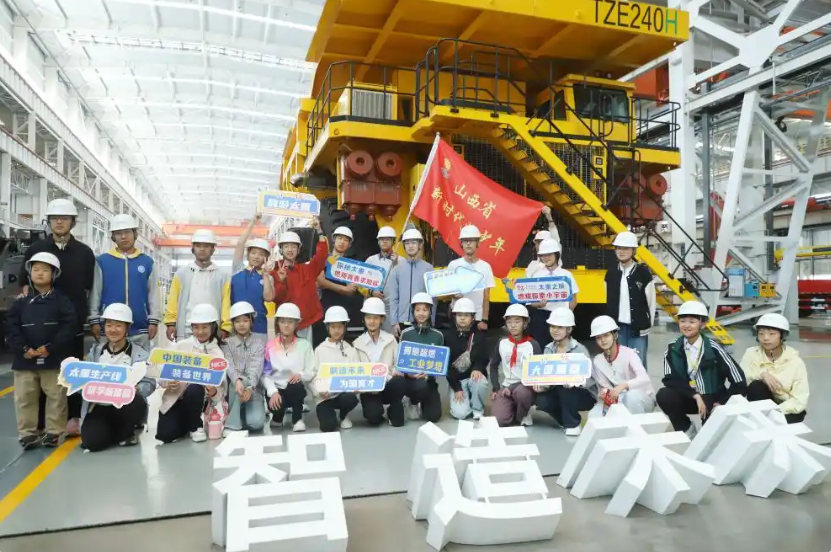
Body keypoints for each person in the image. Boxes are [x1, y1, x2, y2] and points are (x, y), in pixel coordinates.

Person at [20, 198, 95, 432]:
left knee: (71, 370)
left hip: (72, 325)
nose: (59, 222)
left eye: (64, 218)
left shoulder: (84, 253)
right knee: (43, 373)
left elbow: (89, 287)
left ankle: (73, 417)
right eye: (54, 218)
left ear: (73, 222)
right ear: (49, 221)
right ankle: (43, 422)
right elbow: (25, 286)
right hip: (41, 325)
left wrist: (87, 318)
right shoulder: (36, 250)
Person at [7, 252, 75, 449]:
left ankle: (54, 432)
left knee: (56, 397)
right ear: (29, 273)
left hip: (53, 359)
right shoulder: (20, 302)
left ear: (54, 274)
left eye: (45, 270)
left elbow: (69, 326)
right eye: (35, 269)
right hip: (24, 361)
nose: (39, 273)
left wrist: (50, 347)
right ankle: (27, 434)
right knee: (24, 398)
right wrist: (23, 348)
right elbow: (11, 327)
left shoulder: (62, 301)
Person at [656, 300, 746, 439]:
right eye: (682, 321)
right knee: (664, 395)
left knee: (707, 438)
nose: (686, 325)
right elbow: (670, 380)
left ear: (702, 324)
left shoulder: (714, 348)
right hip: (689, 397)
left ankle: (708, 432)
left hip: (712, 398)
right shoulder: (672, 348)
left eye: (692, 322)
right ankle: (686, 429)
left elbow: (739, 379)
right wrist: (695, 395)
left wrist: (723, 402)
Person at [80, 303, 156, 452]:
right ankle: (115, 433)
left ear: (127, 328)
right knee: (92, 443)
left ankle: (127, 430)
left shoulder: (140, 354)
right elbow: (82, 380)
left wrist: (138, 389)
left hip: (125, 407)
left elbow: (150, 382)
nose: (113, 330)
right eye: (109, 325)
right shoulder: (96, 353)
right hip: (99, 406)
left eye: (118, 325)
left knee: (136, 402)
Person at [156, 303, 227, 444]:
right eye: (196, 327)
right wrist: (168, 382)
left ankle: (195, 426)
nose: (200, 331)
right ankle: (186, 425)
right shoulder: (181, 346)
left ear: (213, 327)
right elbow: (162, 373)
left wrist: (213, 392)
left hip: (198, 402)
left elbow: (221, 387)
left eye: (205, 327)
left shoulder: (217, 353)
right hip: (175, 399)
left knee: (195, 388)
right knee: (166, 435)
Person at [89, 214, 161, 350]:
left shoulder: (147, 262)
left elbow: (153, 294)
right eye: (118, 233)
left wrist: (154, 320)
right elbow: (95, 292)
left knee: (140, 362)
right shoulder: (103, 261)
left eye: (127, 232)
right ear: (113, 236)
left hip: (140, 328)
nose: (123, 236)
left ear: (135, 234)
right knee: (109, 361)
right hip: (110, 329)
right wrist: (94, 319)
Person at [534, 309, 597, 436]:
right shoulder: (548, 349)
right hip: (560, 391)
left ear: (569, 330)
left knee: (565, 387)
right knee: (542, 400)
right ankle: (564, 420)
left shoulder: (579, 350)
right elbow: (548, 377)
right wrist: (542, 386)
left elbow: (589, 379)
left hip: (583, 394)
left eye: (560, 327)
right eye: (553, 326)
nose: (555, 330)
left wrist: (575, 382)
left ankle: (572, 424)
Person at [164, 229, 232, 342]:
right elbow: (173, 300)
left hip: (213, 331)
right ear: (193, 248)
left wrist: (225, 326)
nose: (202, 249)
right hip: (186, 330)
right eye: (198, 245)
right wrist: (171, 323)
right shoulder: (181, 273)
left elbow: (226, 303)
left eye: (206, 246)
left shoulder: (222, 276)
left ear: (213, 249)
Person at [270, 218, 329, 346]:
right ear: (281, 249)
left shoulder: (307, 269)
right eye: (286, 246)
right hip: (286, 324)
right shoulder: (274, 271)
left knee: (307, 353)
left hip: (308, 322)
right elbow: (275, 298)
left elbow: (322, 255)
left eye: (293, 246)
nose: (290, 249)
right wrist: (280, 281)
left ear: (299, 249)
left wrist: (319, 231)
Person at [740, 313, 808, 424]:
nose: (765, 338)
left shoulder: (796, 362)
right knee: (756, 386)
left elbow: (800, 399)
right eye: (761, 333)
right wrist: (762, 375)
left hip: (786, 409)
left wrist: (774, 412)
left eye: (772, 334)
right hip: (761, 404)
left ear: (782, 336)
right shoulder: (751, 353)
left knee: (772, 421)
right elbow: (741, 379)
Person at [603, 231, 655, 368]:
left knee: (637, 364)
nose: (621, 251)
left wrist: (647, 324)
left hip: (638, 327)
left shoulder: (643, 273)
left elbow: (651, 302)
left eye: (626, 248)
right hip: (617, 327)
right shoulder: (611, 273)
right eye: (618, 248)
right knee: (619, 363)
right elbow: (607, 300)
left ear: (633, 250)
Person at [587, 315, 655, 419]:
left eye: (606, 335)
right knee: (594, 415)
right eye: (598, 337)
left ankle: (637, 428)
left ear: (615, 335)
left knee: (631, 397)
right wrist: (604, 394)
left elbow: (644, 379)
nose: (603, 340)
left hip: (642, 398)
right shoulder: (597, 360)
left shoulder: (629, 353)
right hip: (618, 399)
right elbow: (605, 387)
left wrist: (623, 386)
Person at [261, 303, 315, 432]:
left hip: (295, 389)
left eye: (290, 322)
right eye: (282, 321)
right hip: (277, 390)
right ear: (277, 323)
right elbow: (265, 374)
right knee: (276, 404)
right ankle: (278, 417)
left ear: (296, 324)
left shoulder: (305, 345)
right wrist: (273, 391)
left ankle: (297, 419)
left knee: (295, 387)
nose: (286, 325)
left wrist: (301, 375)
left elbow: (312, 370)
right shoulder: (270, 346)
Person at [354, 297, 406, 426]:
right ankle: (377, 411)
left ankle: (393, 407)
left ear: (382, 319)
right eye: (368, 317)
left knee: (400, 382)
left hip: (388, 385)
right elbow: (356, 370)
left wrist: (396, 372)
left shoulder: (390, 339)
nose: (372, 321)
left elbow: (399, 362)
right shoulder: (357, 344)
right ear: (364, 319)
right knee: (373, 417)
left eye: (376, 318)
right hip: (369, 389)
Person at [309, 306, 361, 432]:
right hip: (324, 397)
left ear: (344, 327)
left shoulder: (351, 350)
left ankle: (343, 415)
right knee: (328, 426)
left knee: (350, 398)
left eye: (340, 326)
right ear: (327, 327)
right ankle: (331, 415)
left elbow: (357, 375)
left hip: (343, 395)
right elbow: (312, 375)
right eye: (333, 327)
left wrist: (355, 388)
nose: (336, 330)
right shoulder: (319, 350)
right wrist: (319, 391)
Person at [489, 304, 541, 427]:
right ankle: (513, 409)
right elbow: (493, 366)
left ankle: (524, 413)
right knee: (499, 420)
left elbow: (537, 373)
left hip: (526, 387)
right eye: (509, 322)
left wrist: (513, 388)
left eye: (517, 321)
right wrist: (496, 388)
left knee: (522, 393)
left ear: (525, 323)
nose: (512, 325)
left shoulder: (533, 345)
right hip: (506, 387)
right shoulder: (502, 343)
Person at [221, 301, 267, 436]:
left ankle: (240, 415)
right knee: (239, 380)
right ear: (233, 323)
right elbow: (229, 367)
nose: (241, 324)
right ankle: (232, 424)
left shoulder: (259, 343)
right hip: (234, 390)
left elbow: (256, 368)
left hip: (253, 391)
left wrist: (250, 388)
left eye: (245, 320)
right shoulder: (226, 344)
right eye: (237, 321)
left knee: (256, 424)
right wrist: (237, 381)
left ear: (251, 321)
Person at [524, 238, 578, 347]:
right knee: (541, 346)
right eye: (543, 255)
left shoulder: (566, 275)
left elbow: (574, 300)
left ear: (556, 255)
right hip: (541, 318)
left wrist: (566, 315)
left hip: (560, 317)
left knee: (560, 347)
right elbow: (530, 301)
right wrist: (538, 305)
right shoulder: (537, 275)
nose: (546, 257)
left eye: (549, 254)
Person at [399, 293, 444, 423]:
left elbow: (440, 364)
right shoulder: (406, 334)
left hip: (429, 381)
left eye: (425, 309)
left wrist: (429, 373)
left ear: (430, 312)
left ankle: (423, 402)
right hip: (410, 381)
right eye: (417, 310)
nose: (421, 313)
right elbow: (400, 361)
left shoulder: (438, 335)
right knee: (419, 386)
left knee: (434, 416)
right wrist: (409, 374)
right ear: (413, 311)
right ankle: (412, 400)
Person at [444, 298, 490, 420]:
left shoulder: (480, 336)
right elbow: (446, 366)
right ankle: (467, 400)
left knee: (479, 382)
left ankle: (477, 409)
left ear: (472, 317)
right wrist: (457, 388)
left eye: (466, 315)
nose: (462, 318)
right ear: (455, 317)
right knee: (460, 414)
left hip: (473, 377)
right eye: (459, 315)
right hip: (457, 380)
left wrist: (478, 368)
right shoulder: (447, 337)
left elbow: (484, 358)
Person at [231, 213, 274, 336]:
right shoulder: (238, 269)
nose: (256, 256)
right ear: (248, 254)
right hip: (237, 323)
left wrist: (265, 276)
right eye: (253, 252)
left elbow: (268, 298)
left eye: (261, 254)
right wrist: (253, 222)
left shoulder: (268, 277)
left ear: (266, 258)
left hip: (259, 325)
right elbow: (240, 243)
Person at [387, 228, 435, 338]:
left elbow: (433, 298)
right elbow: (393, 298)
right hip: (402, 322)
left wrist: (432, 320)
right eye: (407, 243)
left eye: (413, 242)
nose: (410, 246)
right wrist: (394, 322)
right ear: (404, 246)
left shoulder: (429, 269)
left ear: (420, 245)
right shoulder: (396, 270)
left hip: (423, 321)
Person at [449, 225, 495, 331]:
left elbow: (486, 297)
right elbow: (447, 292)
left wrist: (484, 320)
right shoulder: (454, 265)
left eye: (472, 240)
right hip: (457, 316)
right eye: (465, 241)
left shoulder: (485, 267)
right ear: (461, 244)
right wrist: (453, 295)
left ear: (478, 243)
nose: (468, 243)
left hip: (477, 317)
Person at [318, 226, 364, 331]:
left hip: (344, 310)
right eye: (340, 238)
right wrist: (344, 289)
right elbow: (321, 281)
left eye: (346, 240)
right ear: (334, 240)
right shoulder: (325, 259)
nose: (342, 242)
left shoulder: (350, 266)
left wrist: (350, 289)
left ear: (349, 245)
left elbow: (351, 291)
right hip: (326, 308)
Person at [365, 226, 398, 332]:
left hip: (392, 311)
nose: (384, 241)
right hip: (372, 309)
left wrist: (397, 264)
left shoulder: (401, 261)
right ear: (378, 241)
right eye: (382, 239)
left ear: (393, 242)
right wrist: (371, 292)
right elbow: (360, 284)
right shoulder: (370, 260)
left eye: (388, 239)